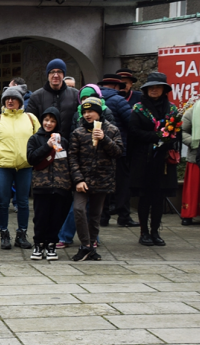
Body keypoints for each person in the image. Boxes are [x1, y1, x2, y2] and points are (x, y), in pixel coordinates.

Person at [0, 86, 40, 250]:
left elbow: (39, 141)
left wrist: (39, 162)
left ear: (20, 101)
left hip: (25, 166)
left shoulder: (31, 118)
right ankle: (4, 234)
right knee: (3, 202)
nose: (10, 101)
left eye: (14, 98)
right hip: (3, 166)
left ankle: (22, 234)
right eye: (7, 99)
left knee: (23, 202)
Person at [69, 97, 123, 261]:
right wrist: (78, 179)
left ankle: (91, 246)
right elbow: (72, 158)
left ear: (99, 113)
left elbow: (118, 152)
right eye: (84, 112)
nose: (87, 115)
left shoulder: (112, 130)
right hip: (83, 180)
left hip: (102, 180)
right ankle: (85, 245)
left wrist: (104, 138)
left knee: (95, 215)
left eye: (90, 111)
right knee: (78, 209)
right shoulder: (78, 132)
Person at [129, 72, 179, 247]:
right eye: (151, 87)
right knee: (145, 197)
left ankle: (155, 231)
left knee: (158, 197)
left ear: (164, 89)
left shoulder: (171, 110)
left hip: (163, 160)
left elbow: (175, 133)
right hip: (144, 160)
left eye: (157, 87)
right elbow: (133, 131)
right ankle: (144, 233)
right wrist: (155, 136)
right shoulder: (138, 109)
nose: (154, 89)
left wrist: (168, 139)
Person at [26, 107, 72, 261]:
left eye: (52, 121)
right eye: (46, 120)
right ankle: (38, 244)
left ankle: (51, 244)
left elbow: (68, 163)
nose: (49, 123)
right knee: (40, 217)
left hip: (60, 186)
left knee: (56, 217)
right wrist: (47, 145)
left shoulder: (64, 141)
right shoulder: (34, 139)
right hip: (41, 186)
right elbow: (31, 159)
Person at [98, 74, 138, 228]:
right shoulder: (119, 100)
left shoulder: (94, 100)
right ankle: (123, 216)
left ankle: (103, 216)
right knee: (122, 184)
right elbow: (131, 123)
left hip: (100, 151)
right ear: (116, 87)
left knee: (103, 184)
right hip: (119, 149)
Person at [26, 59, 80, 141]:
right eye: (52, 72)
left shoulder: (75, 94)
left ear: (63, 74)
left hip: (70, 144)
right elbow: (31, 124)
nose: (55, 75)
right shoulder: (36, 96)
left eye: (59, 71)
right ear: (48, 74)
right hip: (45, 145)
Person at [181, 98, 200, 225]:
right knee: (194, 187)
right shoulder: (192, 111)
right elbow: (181, 131)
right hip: (196, 155)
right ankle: (189, 214)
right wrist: (196, 144)